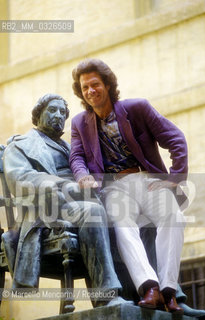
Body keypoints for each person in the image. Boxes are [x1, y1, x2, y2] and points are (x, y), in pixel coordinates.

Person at [69, 58, 205, 316]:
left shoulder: (137, 108)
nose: (90, 91)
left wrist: (174, 178)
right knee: (122, 224)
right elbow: (76, 157)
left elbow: (176, 139)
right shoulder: (79, 123)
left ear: (107, 85)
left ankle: (169, 291)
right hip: (113, 187)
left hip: (147, 181)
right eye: (85, 87)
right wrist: (81, 175)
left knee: (173, 217)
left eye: (95, 84)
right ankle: (149, 287)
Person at [2, 93, 127, 307]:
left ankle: (141, 294)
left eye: (62, 112)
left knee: (126, 217)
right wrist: (62, 185)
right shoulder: (21, 145)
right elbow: (20, 179)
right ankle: (107, 296)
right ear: (38, 114)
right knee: (93, 213)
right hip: (44, 210)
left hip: (78, 202)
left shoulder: (71, 148)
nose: (58, 115)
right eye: (52, 110)